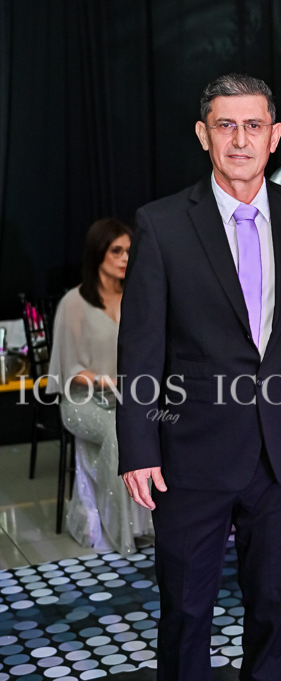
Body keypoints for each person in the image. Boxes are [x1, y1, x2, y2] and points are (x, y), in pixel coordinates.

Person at [116, 73, 281, 681]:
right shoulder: (161, 223)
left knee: (274, 599)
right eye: (225, 125)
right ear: (203, 133)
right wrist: (139, 446)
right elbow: (140, 347)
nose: (240, 139)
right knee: (185, 603)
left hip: (279, 449)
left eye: (253, 125)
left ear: (275, 136)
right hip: (190, 452)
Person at [47, 218, 153, 554]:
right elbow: (66, 370)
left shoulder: (138, 298)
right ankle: (121, 530)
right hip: (83, 400)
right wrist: (106, 380)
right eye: (116, 251)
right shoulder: (74, 303)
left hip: (129, 397)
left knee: (170, 421)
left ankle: (164, 519)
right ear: (97, 254)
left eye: (129, 251)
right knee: (119, 430)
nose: (125, 258)